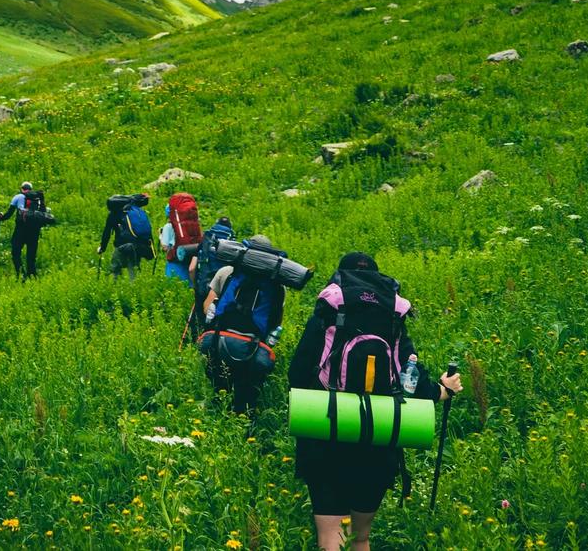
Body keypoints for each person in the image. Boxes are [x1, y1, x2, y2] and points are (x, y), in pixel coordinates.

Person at [285, 252, 463, 551]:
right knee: (361, 537)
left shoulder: (329, 311)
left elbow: (297, 373)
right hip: (378, 434)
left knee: (332, 537)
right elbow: (411, 378)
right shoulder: (391, 317)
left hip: (326, 431)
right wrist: (442, 389)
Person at [197, 235, 287, 415]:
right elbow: (275, 322)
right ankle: (245, 425)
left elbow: (207, 307)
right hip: (253, 348)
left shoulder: (227, 272)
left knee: (218, 389)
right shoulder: (278, 286)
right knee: (246, 398)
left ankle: (214, 421)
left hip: (219, 340)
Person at [184, 215, 236, 345]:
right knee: (216, 322)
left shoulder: (206, 240)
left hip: (202, 286)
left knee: (198, 322)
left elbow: (191, 268)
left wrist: (195, 285)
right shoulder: (233, 244)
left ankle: (193, 345)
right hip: (220, 291)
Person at [0, 181, 47, 280]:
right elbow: (43, 213)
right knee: (31, 253)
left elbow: (9, 214)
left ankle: (21, 274)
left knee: (15, 251)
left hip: (21, 229)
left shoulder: (18, 197)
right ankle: (32, 275)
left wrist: (1, 218)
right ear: (31, 189)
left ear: (22, 188)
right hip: (35, 230)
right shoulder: (37, 199)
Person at [97, 193, 153, 277]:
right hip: (138, 245)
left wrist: (102, 248)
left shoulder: (113, 214)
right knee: (133, 267)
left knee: (115, 266)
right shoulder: (133, 211)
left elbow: (107, 232)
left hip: (122, 245)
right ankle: (135, 285)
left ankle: (115, 286)